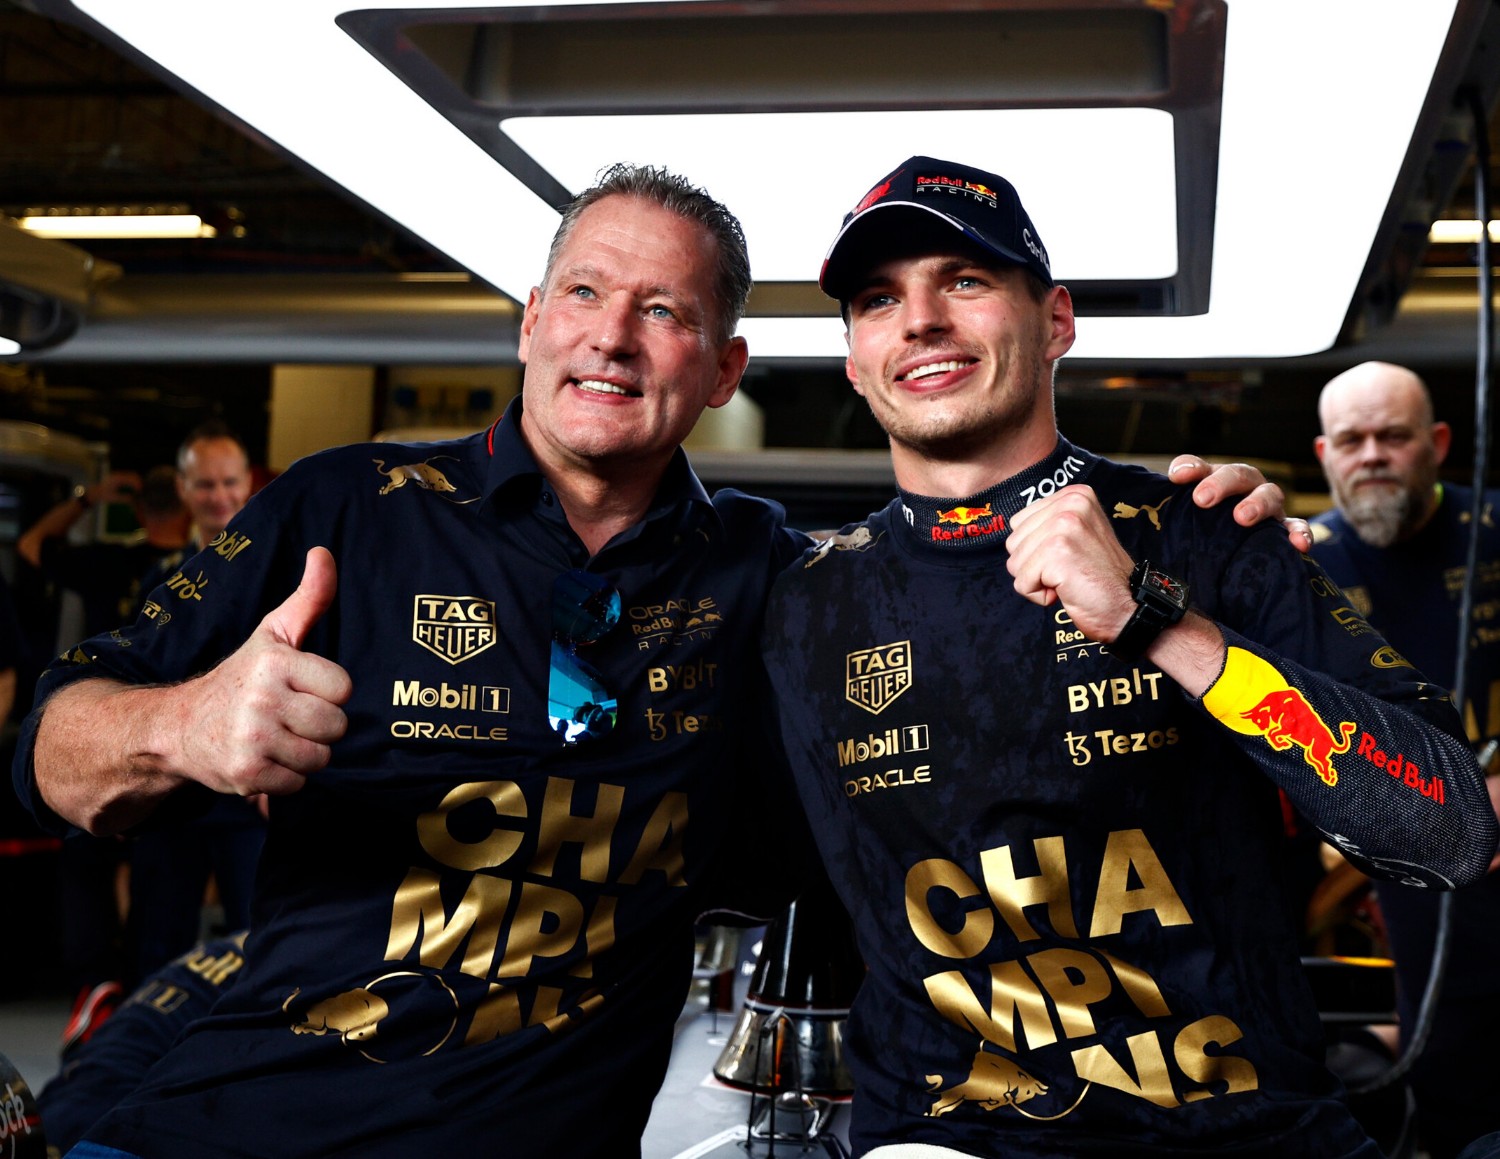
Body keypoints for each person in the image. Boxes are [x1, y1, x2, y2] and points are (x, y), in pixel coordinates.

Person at [12, 163, 1295, 1159]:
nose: (611, 336)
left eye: (664, 310)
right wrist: (180, 725)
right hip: (226, 1112)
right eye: (582, 292)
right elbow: (46, 753)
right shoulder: (345, 506)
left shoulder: (774, 582)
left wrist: (1198, 549)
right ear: (529, 322)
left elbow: (954, 681)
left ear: (725, 367)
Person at [757, 156, 1500, 1159]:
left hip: (1244, 1131)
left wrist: (1161, 623)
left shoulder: (1207, 531)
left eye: (964, 281)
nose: (922, 319)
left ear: (1056, 319)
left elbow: (1448, 827)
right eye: (880, 300)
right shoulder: (803, 602)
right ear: (854, 360)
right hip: (950, 1141)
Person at [1311, 360, 1500, 1159]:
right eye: (1352, 440)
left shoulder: (1494, 532)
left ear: (1439, 443)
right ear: (1324, 454)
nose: (1373, 454)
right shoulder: (1302, 565)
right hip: (1409, 863)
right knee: (1453, 1063)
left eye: (1394, 435)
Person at [16, 464, 190, 1053]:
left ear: (138, 511)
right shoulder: (211, 567)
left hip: (101, 734)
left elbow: (32, 545)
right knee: (158, 884)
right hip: (170, 744)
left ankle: (101, 988)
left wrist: (93, 497)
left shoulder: (113, 562)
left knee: (89, 851)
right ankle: (140, 1007)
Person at [125, 422, 267, 985]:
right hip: (170, 787)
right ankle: (146, 1068)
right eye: (204, 484)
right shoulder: (156, 585)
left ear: (249, 484)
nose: (219, 496)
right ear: (183, 490)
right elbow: (131, 688)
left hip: (249, 788)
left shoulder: (286, 578)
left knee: (259, 942)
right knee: (156, 942)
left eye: (229, 482)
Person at [17, 467, 189, 640]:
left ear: (138, 511)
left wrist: (89, 497)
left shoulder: (106, 562)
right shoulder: (202, 568)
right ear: (190, 511)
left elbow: (30, 543)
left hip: (108, 665)